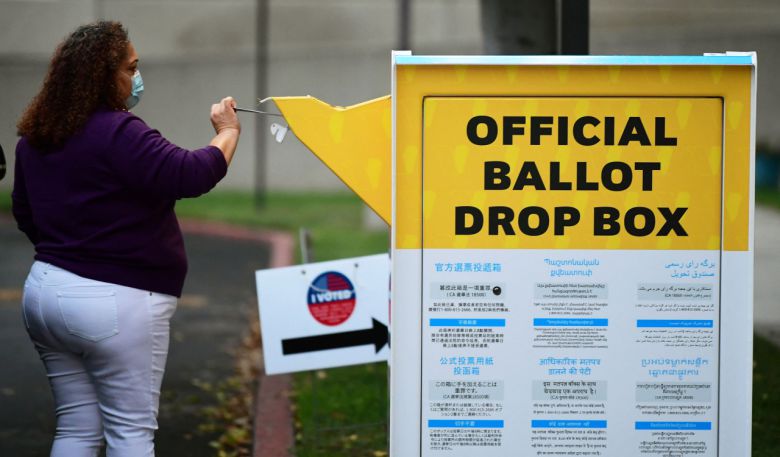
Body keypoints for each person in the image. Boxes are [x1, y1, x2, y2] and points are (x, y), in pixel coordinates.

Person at [12, 21, 241, 457]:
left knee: (76, 429)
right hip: (116, 303)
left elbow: (25, 212)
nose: (136, 77)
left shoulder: (35, 138)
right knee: (131, 435)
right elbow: (190, 174)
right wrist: (227, 132)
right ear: (103, 74)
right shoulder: (118, 131)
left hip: (45, 293)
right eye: (130, 67)